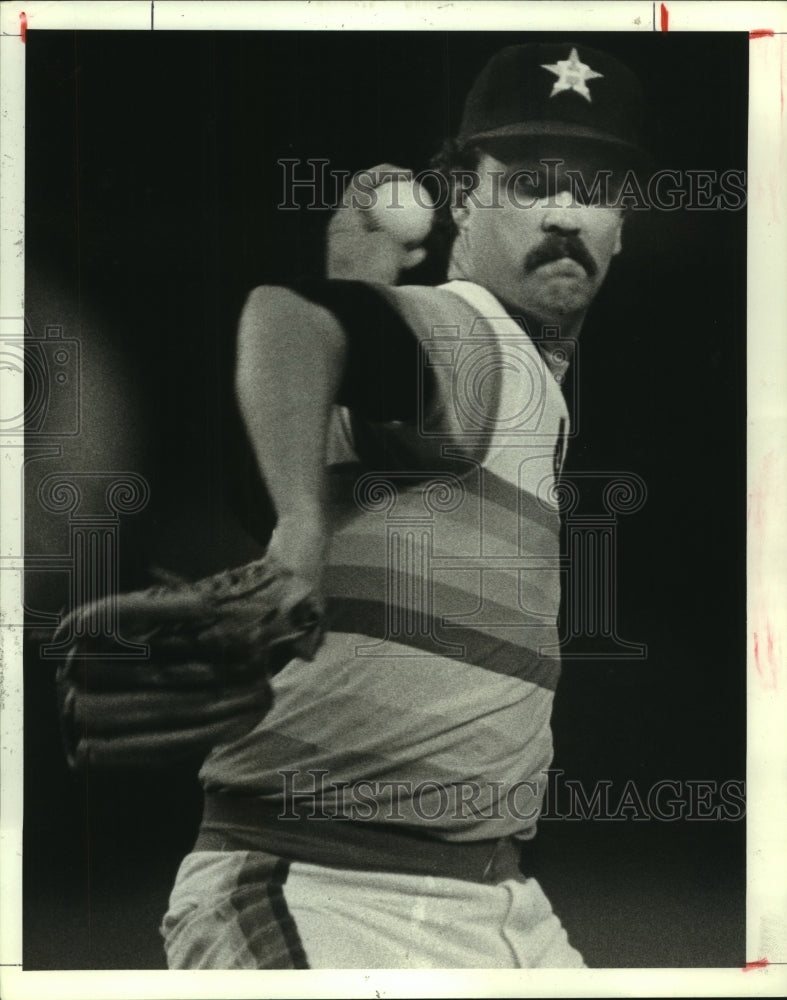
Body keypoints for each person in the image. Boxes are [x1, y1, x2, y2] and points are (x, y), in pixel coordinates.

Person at [160, 41, 647, 969]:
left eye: (593, 188)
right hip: (334, 900)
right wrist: (300, 524)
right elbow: (286, 316)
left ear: (622, 225)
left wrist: (359, 287)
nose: (563, 211)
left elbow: (298, 449)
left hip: (496, 910)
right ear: (462, 197)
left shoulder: (493, 376)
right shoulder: (481, 338)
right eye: (530, 180)